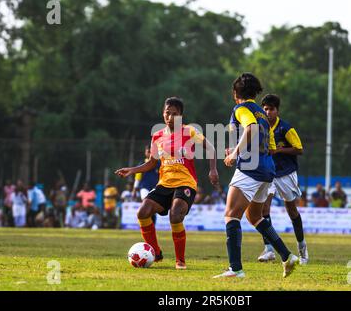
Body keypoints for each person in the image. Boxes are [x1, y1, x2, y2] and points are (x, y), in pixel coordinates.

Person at [115, 97, 219, 270]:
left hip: (185, 182)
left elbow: (211, 148)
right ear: (163, 113)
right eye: (167, 113)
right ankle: (155, 252)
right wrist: (132, 170)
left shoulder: (190, 131)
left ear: (181, 116)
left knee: (175, 215)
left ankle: (180, 261)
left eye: (174, 114)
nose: (170, 117)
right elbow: (151, 163)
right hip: (165, 184)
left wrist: (213, 169)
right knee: (143, 212)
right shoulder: (157, 136)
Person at [213, 73, 298, 279]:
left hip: (251, 169)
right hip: (267, 169)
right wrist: (239, 149)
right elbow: (269, 145)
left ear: (236, 93)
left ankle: (235, 269)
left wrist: (235, 153)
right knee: (254, 216)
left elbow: (250, 128)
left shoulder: (241, 109)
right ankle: (287, 256)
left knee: (231, 215)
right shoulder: (261, 112)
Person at [257, 94, 308, 264]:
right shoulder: (260, 127)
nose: (267, 112)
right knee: (264, 208)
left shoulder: (285, 128)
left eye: (271, 109)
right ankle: (269, 249)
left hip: (286, 173)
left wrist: (278, 151)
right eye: (265, 109)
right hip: (269, 173)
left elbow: (299, 149)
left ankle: (303, 249)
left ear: (277, 111)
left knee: (291, 210)